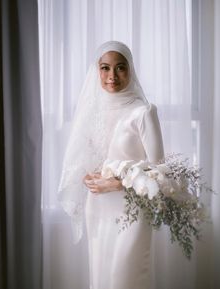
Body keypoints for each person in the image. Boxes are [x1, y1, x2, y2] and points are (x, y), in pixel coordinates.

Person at [58, 41, 164, 289]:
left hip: (133, 210)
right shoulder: (92, 110)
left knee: (125, 279)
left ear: (131, 70)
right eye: (105, 68)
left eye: (120, 68)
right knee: (101, 279)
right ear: (97, 71)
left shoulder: (144, 112)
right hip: (97, 207)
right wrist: (86, 177)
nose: (112, 76)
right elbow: (89, 157)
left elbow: (160, 170)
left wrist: (116, 184)